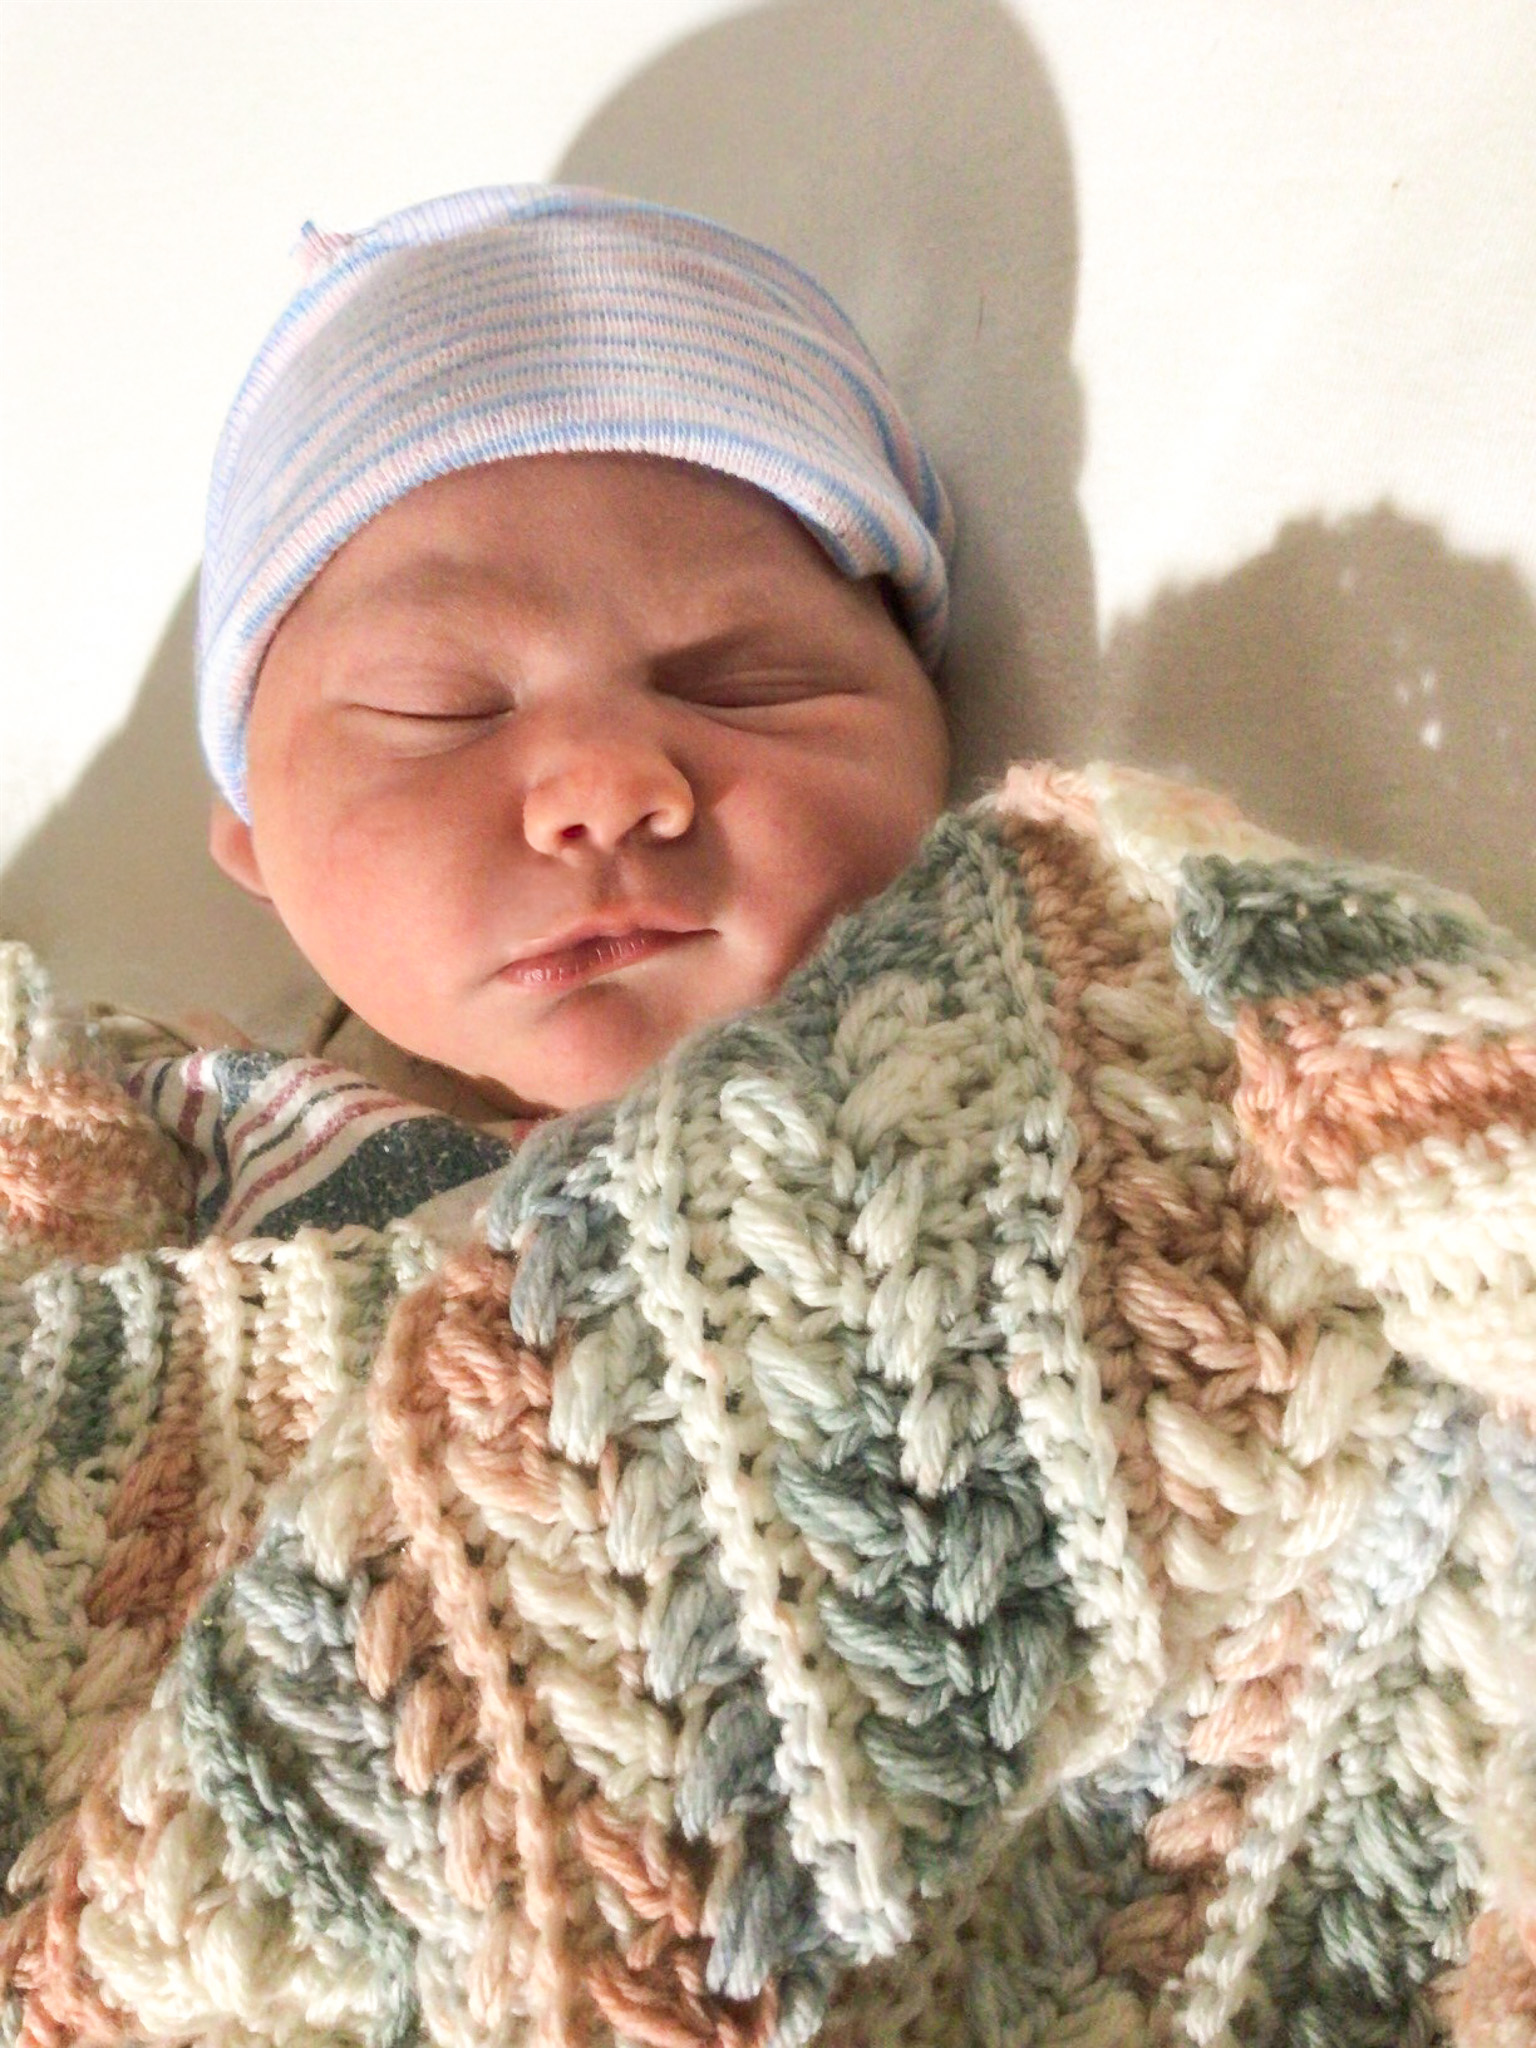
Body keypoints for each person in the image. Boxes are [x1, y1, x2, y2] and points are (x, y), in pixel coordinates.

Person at [199, 183, 957, 1119]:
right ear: (260, 854)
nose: (604, 794)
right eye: (438, 707)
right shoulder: (149, 1142)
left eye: (744, 687)